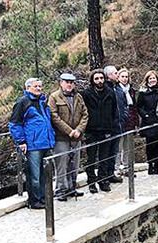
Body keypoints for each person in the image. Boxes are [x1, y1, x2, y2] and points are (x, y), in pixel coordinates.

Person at [8, 77, 55, 209]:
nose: (39, 89)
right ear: (28, 88)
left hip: (46, 142)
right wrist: (21, 141)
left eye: (40, 86)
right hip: (33, 144)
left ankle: (44, 197)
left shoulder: (42, 102)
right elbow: (14, 123)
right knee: (34, 174)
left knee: (45, 173)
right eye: (36, 86)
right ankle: (34, 201)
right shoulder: (23, 102)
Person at [48, 73, 88, 201]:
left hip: (76, 137)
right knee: (61, 164)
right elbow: (54, 117)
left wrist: (79, 130)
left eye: (71, 82)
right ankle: (60, 190)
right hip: (61, 137)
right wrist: (69, 131)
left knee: (74, 163)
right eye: (66, 82)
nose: (69, 84)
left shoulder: (78, 97)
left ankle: (72, 187)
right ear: (61, 83)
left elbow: (85, 114)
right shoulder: (54, 97)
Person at [81, 69, 119, 193]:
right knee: (91, 158)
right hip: (91, 130)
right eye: (96, 78)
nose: (99, 81)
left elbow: (114, 111)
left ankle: (103, 180)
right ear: (92, 80)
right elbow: (83, 112)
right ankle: (91, 182)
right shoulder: (86, 94)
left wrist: (112, 126)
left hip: (106, 129)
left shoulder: (110, 92)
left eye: (101, 78)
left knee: (104, 157)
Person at [136, 70, 158, 175]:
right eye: (150, 78)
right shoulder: (143, 92)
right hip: (148, 121)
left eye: (154, 78)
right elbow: (139, 106)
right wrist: (145, 115)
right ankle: (150, 164)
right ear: (147, 80)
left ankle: (156, 163)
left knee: (157, 144)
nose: (152, 80)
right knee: (149, 144)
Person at [103, 65, 126, 183]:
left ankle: (111, 173)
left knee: (114, 152)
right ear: (109, 75)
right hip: (109, 126)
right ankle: (105, 176)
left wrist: (124, 118)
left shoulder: (118, 88)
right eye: (116, 73)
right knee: (106, 152)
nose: (118, 75)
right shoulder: (106, 89)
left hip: (119, 125)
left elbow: (124, 105)